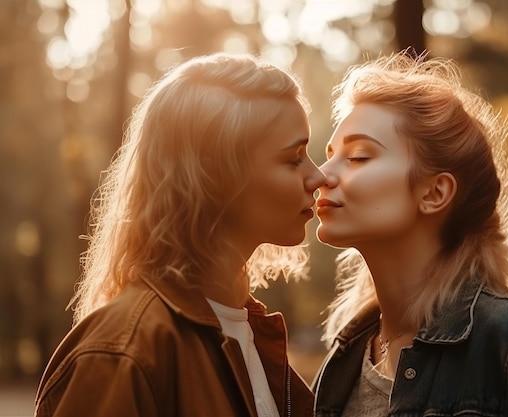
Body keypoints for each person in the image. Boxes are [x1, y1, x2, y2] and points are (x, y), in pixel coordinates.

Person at [312, 51, 508, 417]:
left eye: (358, 156)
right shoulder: (344, 358)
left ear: (434, 193)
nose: (322, 174)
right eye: (330, 154)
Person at [35, 52, 325, 417]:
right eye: (294, 157)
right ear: (215, 175)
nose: (320, 177)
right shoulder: (123, 352)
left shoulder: (250, 333)